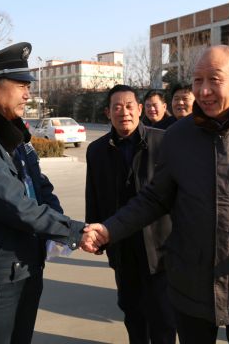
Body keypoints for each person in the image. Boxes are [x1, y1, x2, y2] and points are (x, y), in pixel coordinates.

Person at [83, 45, 229, 344]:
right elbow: (154, 198)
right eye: (197, 81)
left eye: (214, 79)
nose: (203, 91)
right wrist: (109, 228)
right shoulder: (178, 136)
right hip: (191, 283)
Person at [0, 42, 86, 344]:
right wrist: (73, 231)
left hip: (24, 268)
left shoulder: (11, 134)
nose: (27, 94)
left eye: (28, 86)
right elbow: (15, 204)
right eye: (21, 85)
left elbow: (40, 185)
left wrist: (56, 225)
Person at [86, 84, 175, 344]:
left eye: (128, 106)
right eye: (116, 107)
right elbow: (94, 195)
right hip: (121, 245)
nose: (123, 112)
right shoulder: (97, 150)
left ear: (139, 109)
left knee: (163, 318)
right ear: (107, 112)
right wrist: (96, 235)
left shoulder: (163, 142)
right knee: (133, 313)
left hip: (160, 248)